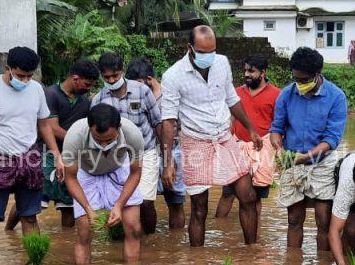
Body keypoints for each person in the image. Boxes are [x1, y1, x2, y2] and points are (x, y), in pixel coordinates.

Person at [160, 25, 263, 246]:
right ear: (190, 48)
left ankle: (251, 252)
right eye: (203, 52)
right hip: (195, 142)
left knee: (249, 197)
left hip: (225, 139)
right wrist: (168, 163)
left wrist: (251, 129)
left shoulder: (222, 63)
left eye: (212, 51)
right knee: (199, 209)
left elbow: (232, 99)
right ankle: (198, 262)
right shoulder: (173, 76)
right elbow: (168, 121)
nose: (209, 57)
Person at [0, 47, 60, 257]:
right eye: (20, 75)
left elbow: (44, 125)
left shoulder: (36, 89)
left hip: (30, 157)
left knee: (30, 217)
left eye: (29, 76)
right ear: (8, 68)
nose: (25, 81)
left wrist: (57, 156)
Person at [270, 47, 348, 252]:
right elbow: (276, 129)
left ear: (317, 75)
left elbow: (332, 138)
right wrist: (278, 148)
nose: (300, 84)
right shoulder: (286, 94)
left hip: (322, 161)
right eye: (296, 79)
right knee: (294, 218)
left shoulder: (336, 97)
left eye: (304, 80)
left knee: (323, 219)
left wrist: (307, 156)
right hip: (291, 159)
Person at [62, 104, 144, 263]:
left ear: (118, 128)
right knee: (84, 232)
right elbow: (70, 177)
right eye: (99, 140)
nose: (104, 146)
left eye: (110, 140)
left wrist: (119, 205)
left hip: (120, 171)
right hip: (87, 174)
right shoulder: (75, 135)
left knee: (133, 228)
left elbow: (135, 173)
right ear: (89, 128)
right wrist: (88, 209)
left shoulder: (132, 134)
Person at [93, 52, 163, 234]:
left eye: (114, 75)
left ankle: (150, 240)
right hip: (116, 158)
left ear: (122, 71)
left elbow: (157, 123)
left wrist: (167, 157)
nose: (111, 80)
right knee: (123, 204)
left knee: (146, 202)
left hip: (146, 152)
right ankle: (131, 239)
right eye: (106, 77)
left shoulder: (142, 91)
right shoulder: (99, 100)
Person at [29, 58, 99, 229]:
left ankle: (66, 242)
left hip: (71, 156)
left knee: (68, 204)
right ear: (75, 78)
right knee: (33, 202)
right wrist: (76, 140)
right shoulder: (50, 94)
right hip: (46, 153)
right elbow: (52, 128)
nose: (89, 89)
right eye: (87, 84)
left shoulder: (84, 101)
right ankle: (10, 230)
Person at [215, 54, 281, 232]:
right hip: (237, 147)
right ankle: (220, 231)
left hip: (263, 151)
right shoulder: (236, 93)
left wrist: (280, 153)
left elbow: (279, 125)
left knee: (256, 196)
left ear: (263, 72)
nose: (247, 74)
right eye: (245, 70)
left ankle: (254, 234)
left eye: (251, 71)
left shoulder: (276, 95)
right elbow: (229, 119)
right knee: (227, 194)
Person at [127, 56, 186, 230]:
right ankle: (149, 243)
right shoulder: (134, 96)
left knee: (175, 202)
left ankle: (174, 246)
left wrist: (171, 160)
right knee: (142, 201)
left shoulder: (170, 96)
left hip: (172, 151)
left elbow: (181, 127)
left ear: (150, 80)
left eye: (138, 84)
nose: (135, 88)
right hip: (146, 153)